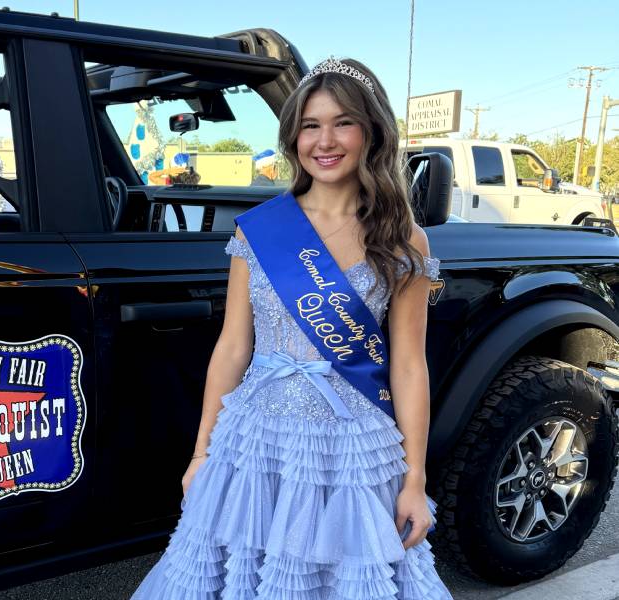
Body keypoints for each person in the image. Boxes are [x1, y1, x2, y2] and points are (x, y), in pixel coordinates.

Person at [131, 57, 453, 599]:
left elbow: (408, 364)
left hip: (353, 446)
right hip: (255, 442)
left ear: (372, 132)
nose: (325, 140)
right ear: (293, 137)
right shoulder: (260, 230)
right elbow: (233, 346)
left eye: (343, 122)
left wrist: (415, 479)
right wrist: (201, 453)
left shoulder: (403, 239)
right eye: (310, 125)